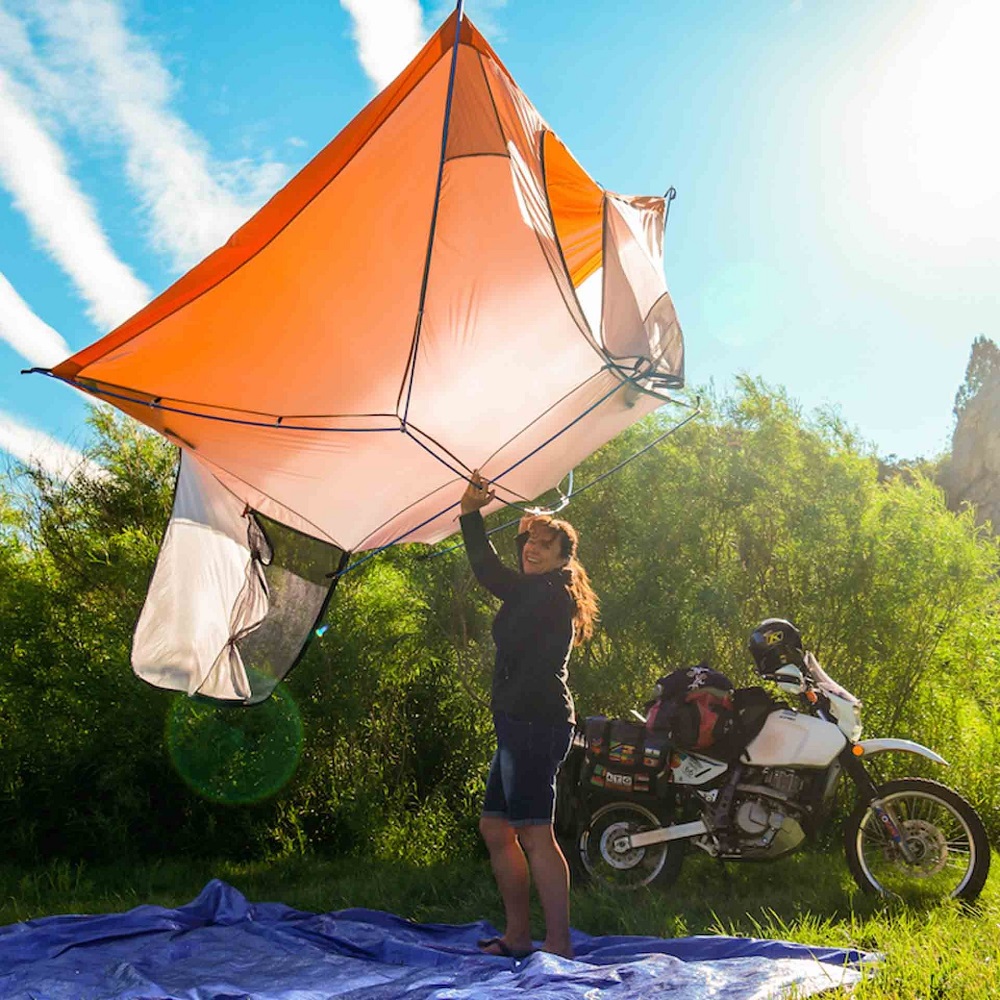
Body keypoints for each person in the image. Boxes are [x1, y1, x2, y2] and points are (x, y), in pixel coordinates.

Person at [459, 470, 598, 960]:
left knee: (535, 831)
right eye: (528, 543)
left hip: (538, 724)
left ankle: (558, 943)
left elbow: (488, 572)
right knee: (497, 828)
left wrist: (470, 513)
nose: (531, 549)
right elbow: (504, 573)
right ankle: (518, 936)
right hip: (517, 723)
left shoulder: (549, 592)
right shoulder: (535, 588)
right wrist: (518, 521)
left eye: (544, 544)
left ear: (564, 558)